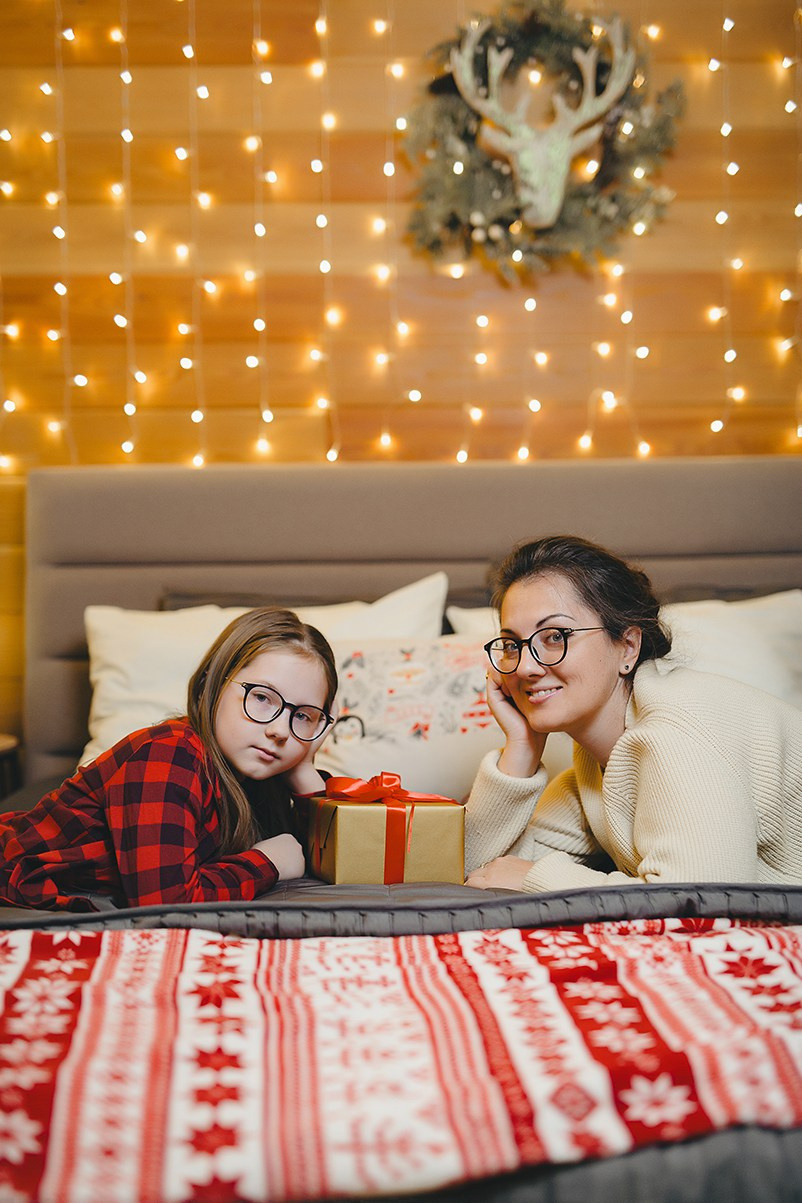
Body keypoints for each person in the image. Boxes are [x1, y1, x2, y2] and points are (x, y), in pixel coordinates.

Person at [464, 535, 802, 892]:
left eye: (555, 636)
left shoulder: (679, 731)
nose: (526, 667)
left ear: (627, 646)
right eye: (513, 644)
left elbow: (703, 901)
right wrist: (521, 747)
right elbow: (482, 871)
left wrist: (538, 878)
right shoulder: (592, 772)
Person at [0, 607, 337, 911]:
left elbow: (327, 856)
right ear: (211, 685)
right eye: (262, 697)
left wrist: (304, 770)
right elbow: (164, 903)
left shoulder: (258, 777)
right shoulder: (169, 754)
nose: (280, 730)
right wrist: (267, 862)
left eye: (304, 716)